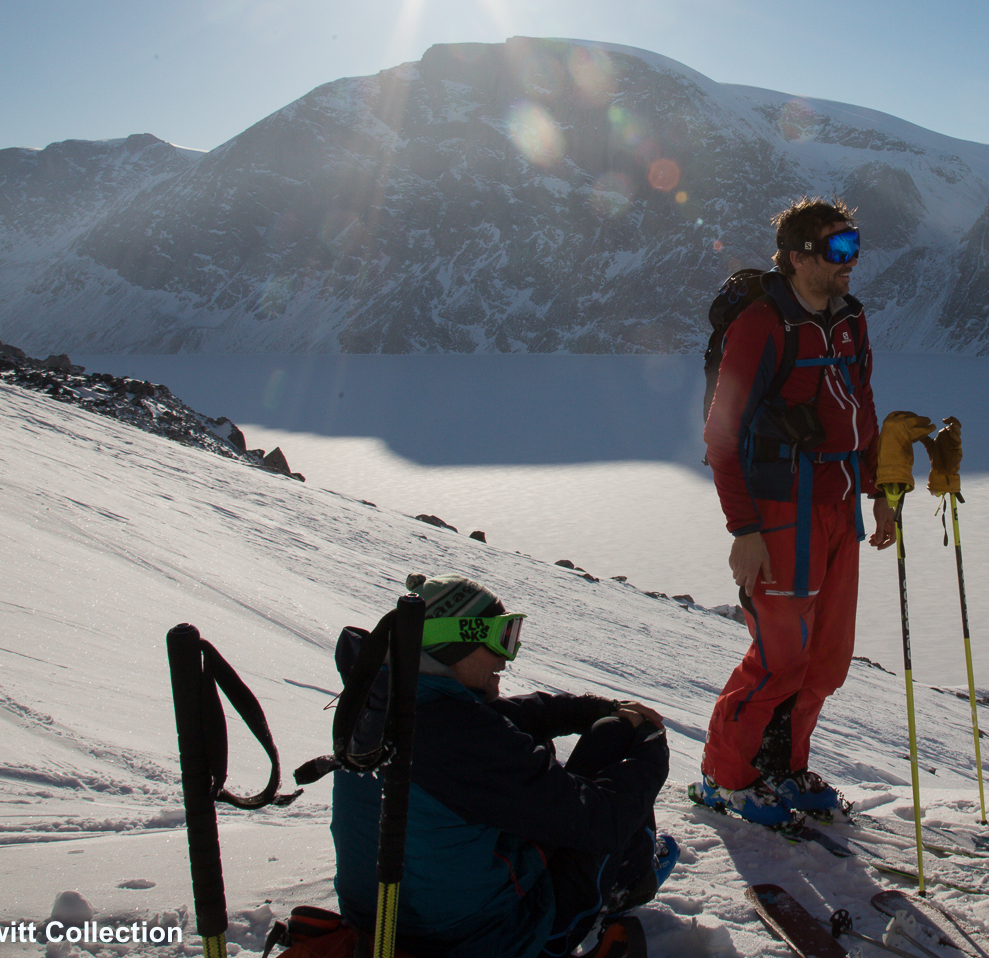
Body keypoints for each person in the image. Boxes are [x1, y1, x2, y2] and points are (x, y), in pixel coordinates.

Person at [331, 573, 675, 958]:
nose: (505, 660)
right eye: (500, 639)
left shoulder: (382, 700)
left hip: (382, 923)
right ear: (454, 643)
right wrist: (651, 750)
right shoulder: (463, 738)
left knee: (586, 737)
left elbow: (504, 717)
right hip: (479, 940)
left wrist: (596, 709)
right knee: (610, 756)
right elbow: (601, 820)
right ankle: (629, 881)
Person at [692, 198, 896, 824]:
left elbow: (859, 408)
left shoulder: (848, 322)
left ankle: (783, 767)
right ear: (800, 256)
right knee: (778, 659)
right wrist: (743, 530)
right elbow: (721, 437)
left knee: (826, 660)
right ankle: (724, 777)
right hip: (780, 514)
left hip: (838, 511)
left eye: (854, 244)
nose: (851, 260)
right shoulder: (764, 325)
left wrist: (880, 494)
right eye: (838, 249)